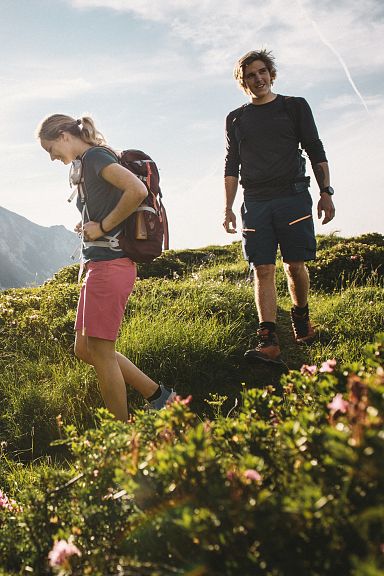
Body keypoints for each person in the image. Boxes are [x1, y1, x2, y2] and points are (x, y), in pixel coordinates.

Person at [37, 114, 175, 420]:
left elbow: (136, 190)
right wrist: (92, 224)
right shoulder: (88, 162)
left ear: (63, 135)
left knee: (101, 353)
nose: (52, 157)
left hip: (111, 266)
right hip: (100, 265)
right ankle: (161, 397)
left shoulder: (96, 156)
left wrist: (103, 226)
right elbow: (112, 202)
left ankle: (121, 437)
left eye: (50, 149)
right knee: (85, 350)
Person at [223, 50, 335, 365]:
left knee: (294, 265)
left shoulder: (294, 106)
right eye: (250, 76)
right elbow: (232, 164)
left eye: (262, 72)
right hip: (255, 200)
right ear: (243, 83)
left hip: (293, 195)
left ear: (271, 74)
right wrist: (228, 207)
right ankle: (269, 340)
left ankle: (301, 318)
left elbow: (315, 148)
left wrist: (326, 192)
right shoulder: (236, 118)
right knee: (262, 268)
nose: (257, 79)